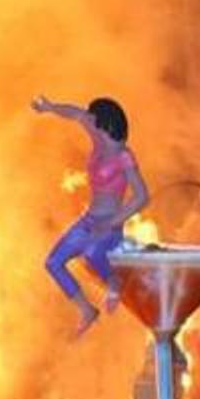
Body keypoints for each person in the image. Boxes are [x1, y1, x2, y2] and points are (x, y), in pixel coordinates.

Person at [32, 94, 150, 336]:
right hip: (89, 220)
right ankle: (87, 310)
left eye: (93, 119)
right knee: (53, 262)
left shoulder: (123, 155)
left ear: (105, 123)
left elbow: (141, 196)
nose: (89, 122)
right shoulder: (97, 136)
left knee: (92, 254)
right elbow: (75, 113)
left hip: (109, 225)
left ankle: (115, 283)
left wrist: (113, 222)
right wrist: (50, 107)